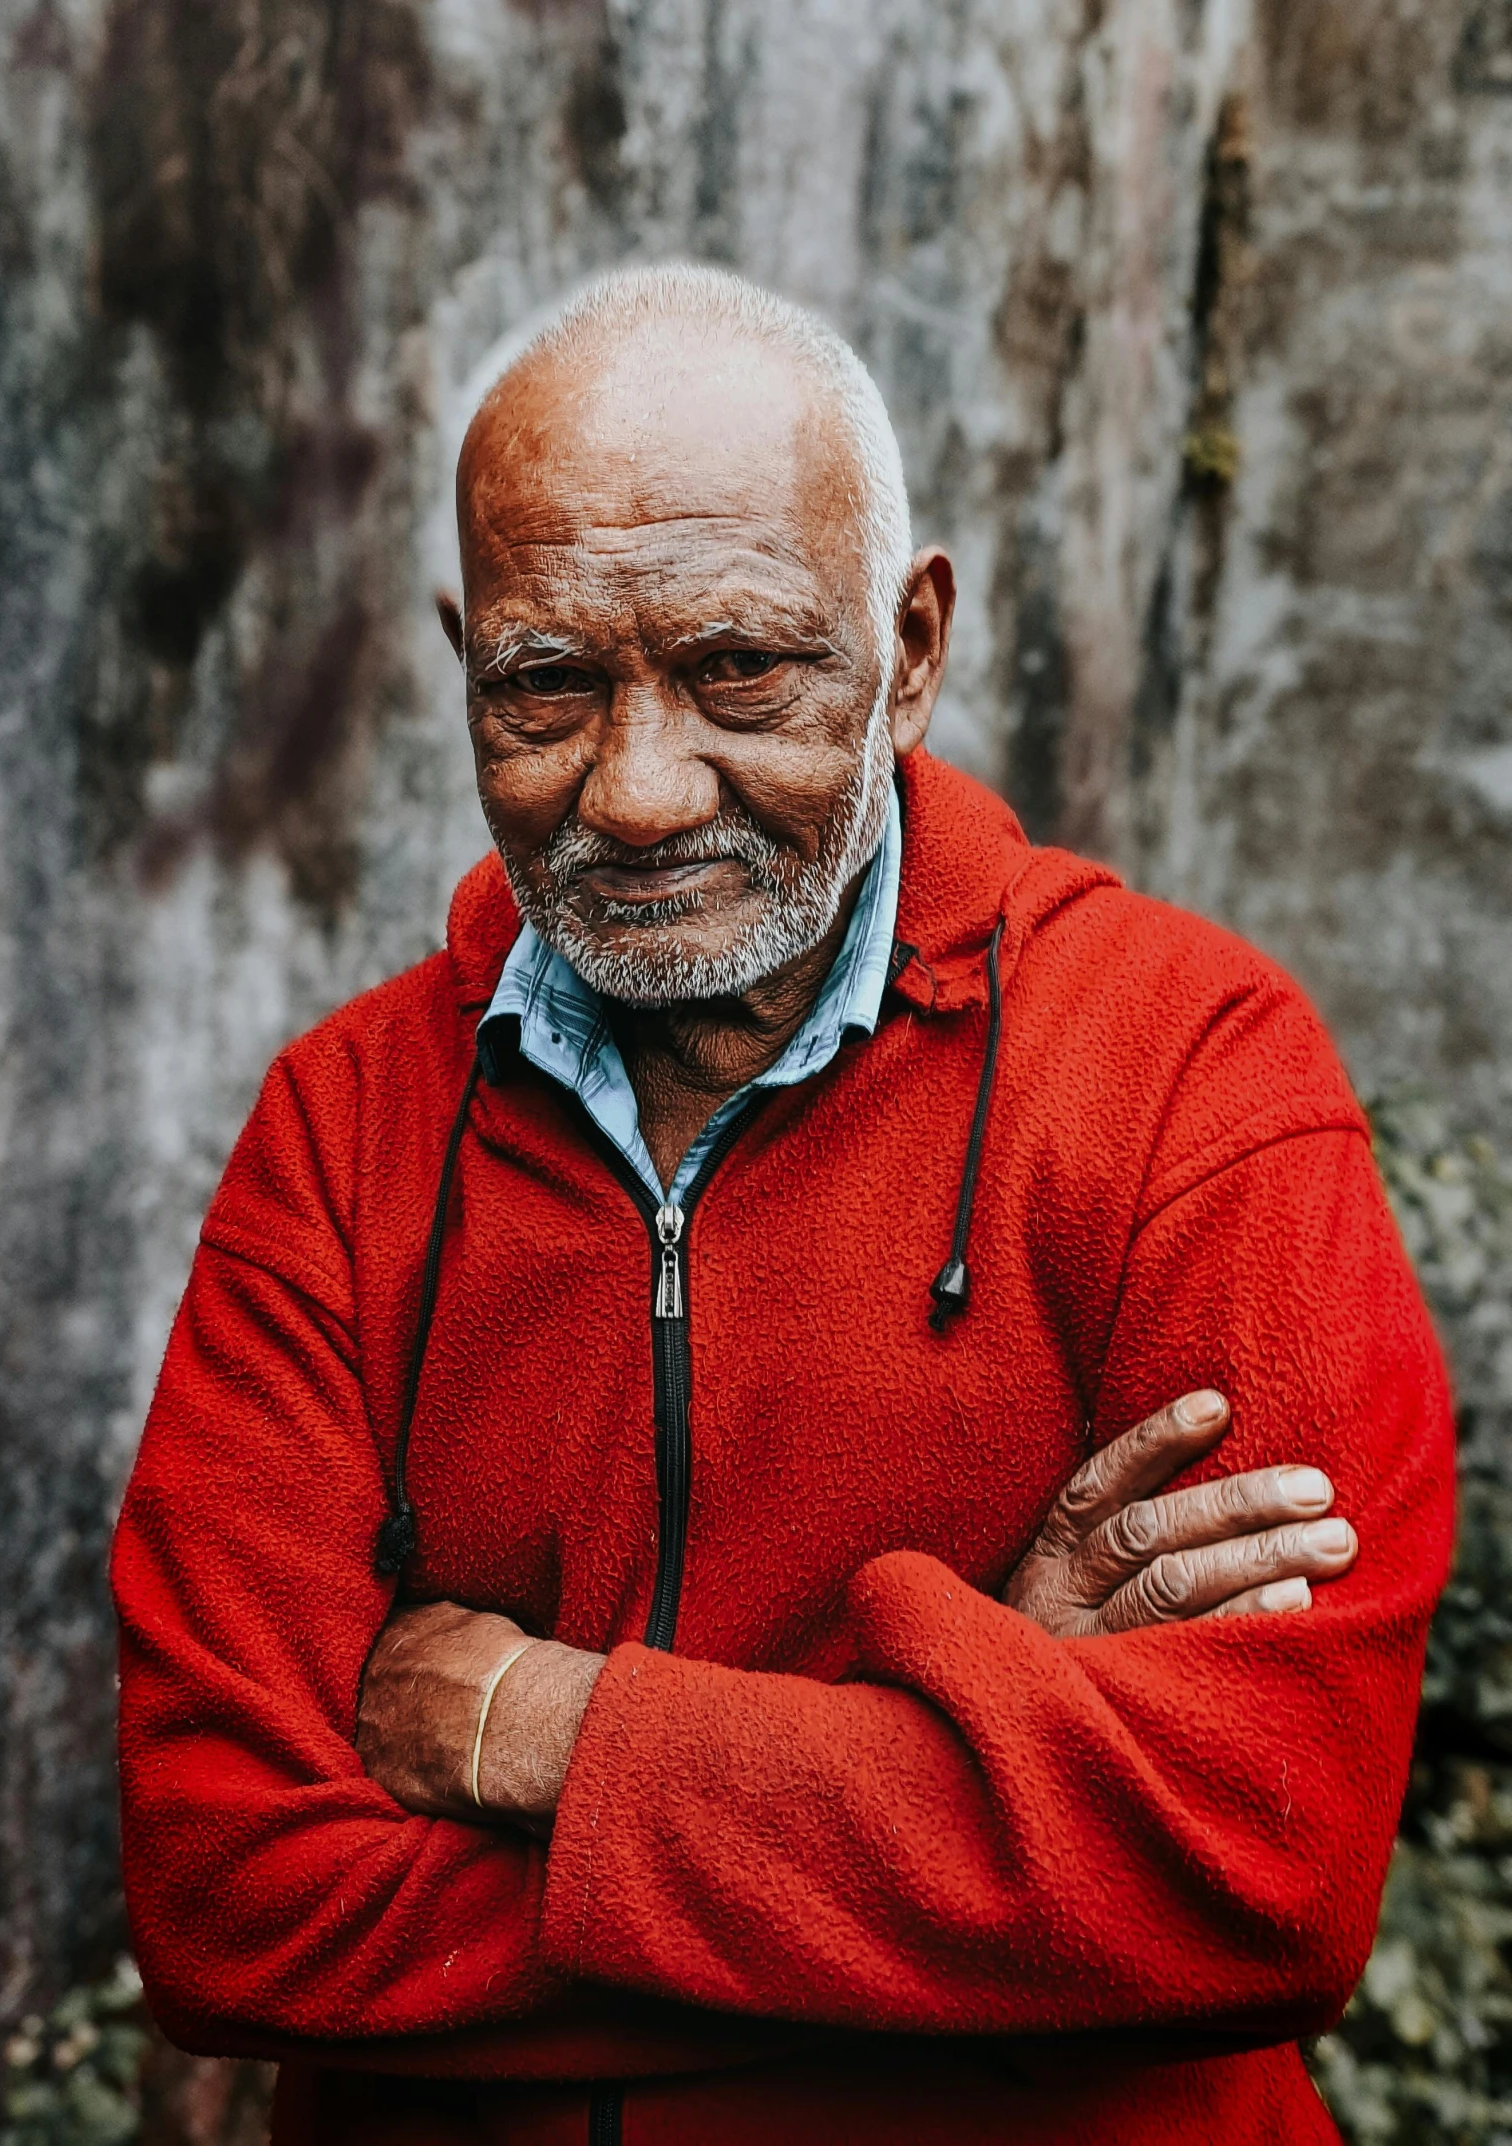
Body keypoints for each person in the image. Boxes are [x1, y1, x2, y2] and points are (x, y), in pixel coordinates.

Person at [112, 266, 1453, 2145]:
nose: (641, 792)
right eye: (547, 685)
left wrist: (537, 1725)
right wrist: (970, 1800)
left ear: (911, 646)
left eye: (741, 668)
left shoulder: (1189, 1080)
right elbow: (226, 1896)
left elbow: (1254, 1873)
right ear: (463, 653)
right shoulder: (344, 1132)